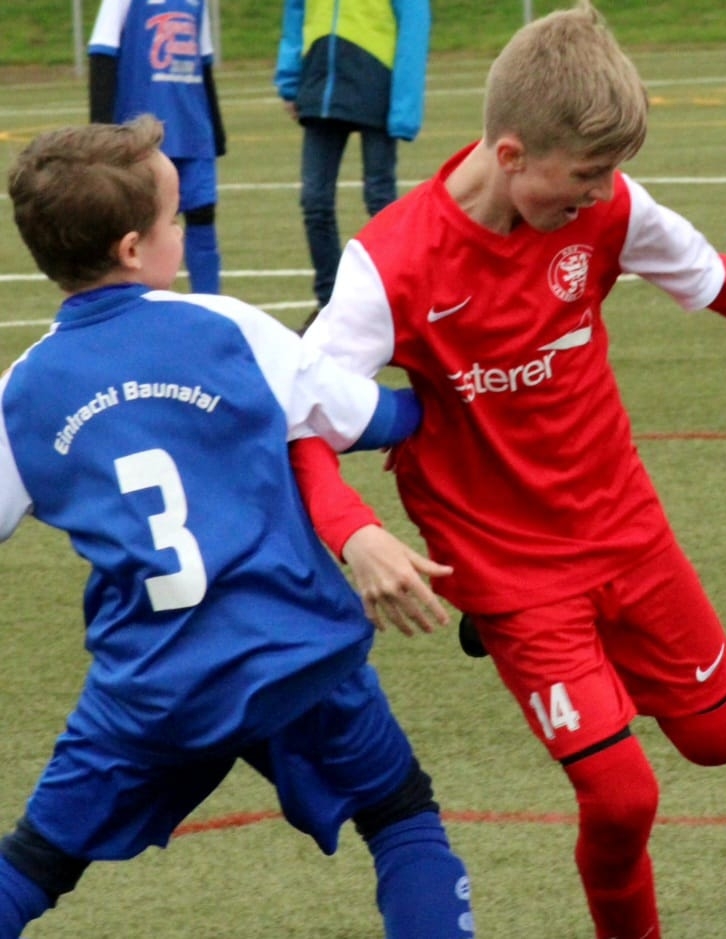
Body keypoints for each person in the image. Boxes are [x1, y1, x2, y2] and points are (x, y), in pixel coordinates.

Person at [290, 4, 726, 936]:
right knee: (621, 796)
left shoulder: (609, 206)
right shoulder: (390, 265)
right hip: (510, 568)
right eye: (585, 176)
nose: (602, 194)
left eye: (611, 175)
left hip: (625, 533)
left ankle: (580, 666)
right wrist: (356, 533)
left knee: (721, 738)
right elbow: (299, 424)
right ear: (512, 154)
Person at [0, 116, 475, 939]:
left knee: (32, 864)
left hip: (152, 687)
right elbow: (370, 418)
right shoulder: (226, 326)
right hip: (295, 655)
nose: (183, 229)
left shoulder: (21, 393)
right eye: (174, 217)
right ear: (131, 248)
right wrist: (446, 395)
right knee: (402, 818)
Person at [275, 0, 431, 328]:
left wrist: (405, 107)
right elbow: (296, 12)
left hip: (376, 82)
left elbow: (414, 25)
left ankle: (395, 300)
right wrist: (290, 79)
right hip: (321, 85)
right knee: (315, 202)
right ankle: (330, 307)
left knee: (379, 199)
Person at [89, 0, 225, 294]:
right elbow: (102, 54)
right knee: (139, 224)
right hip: (142, 134)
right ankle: (141, 301)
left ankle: (209, 300)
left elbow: (204, 64)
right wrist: (101, 130)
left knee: (203, 214)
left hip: (194, 130)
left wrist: (216, 130)